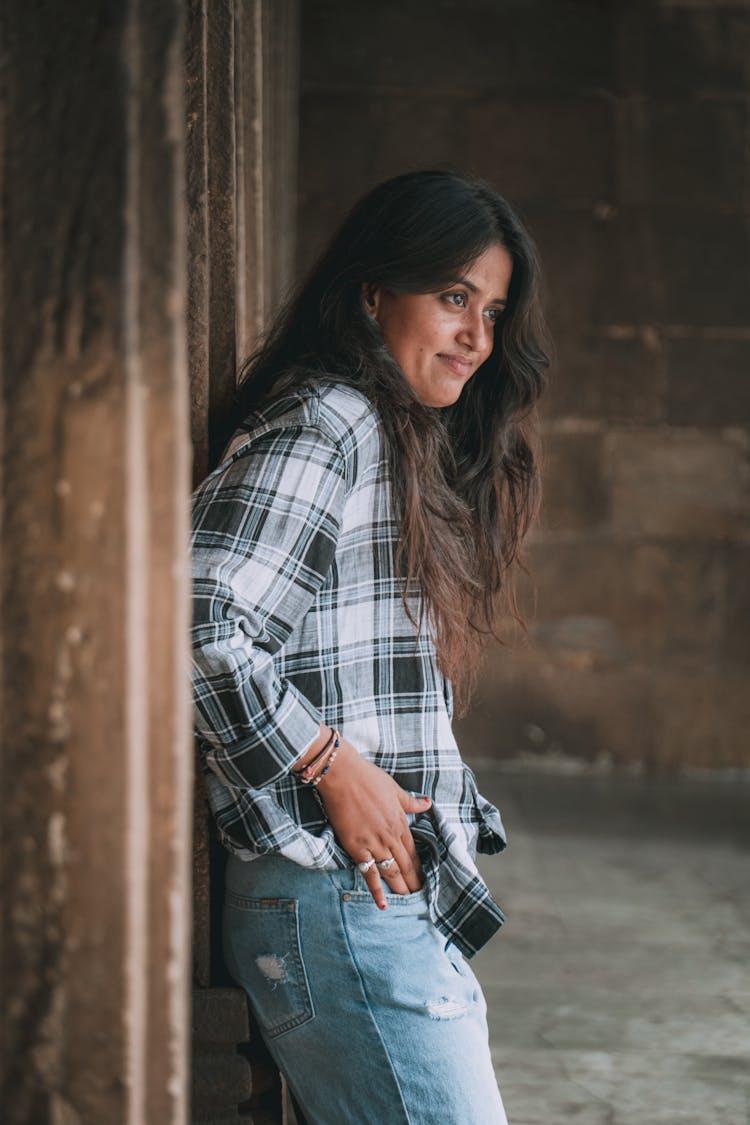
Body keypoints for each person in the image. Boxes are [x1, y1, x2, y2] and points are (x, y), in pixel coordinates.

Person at [191, 169, 549, 1124]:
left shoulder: (392, 439)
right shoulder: (332, 422)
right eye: (454, 297)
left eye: (494, 310)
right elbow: (192, 620)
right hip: (334, 904)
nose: (478, 336)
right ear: (372, 292)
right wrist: (326, 759)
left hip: (372, 906)